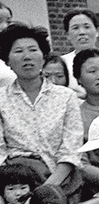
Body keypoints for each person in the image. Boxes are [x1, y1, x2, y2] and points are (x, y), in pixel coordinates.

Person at [0, 24, 84, 192]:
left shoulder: (66, 96)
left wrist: (47, 187)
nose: (27, 57)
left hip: (63, 183)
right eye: (18, 51)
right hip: (16, 185)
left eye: (33, 50)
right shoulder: (1, 99)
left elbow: (71, 148)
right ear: (8, 61)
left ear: (43, 57)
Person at [60, 9, 99, 87]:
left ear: (97, 31)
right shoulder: (62, 63)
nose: (82, 32)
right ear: (67, 34)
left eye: (86, 27)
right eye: (75, 28)